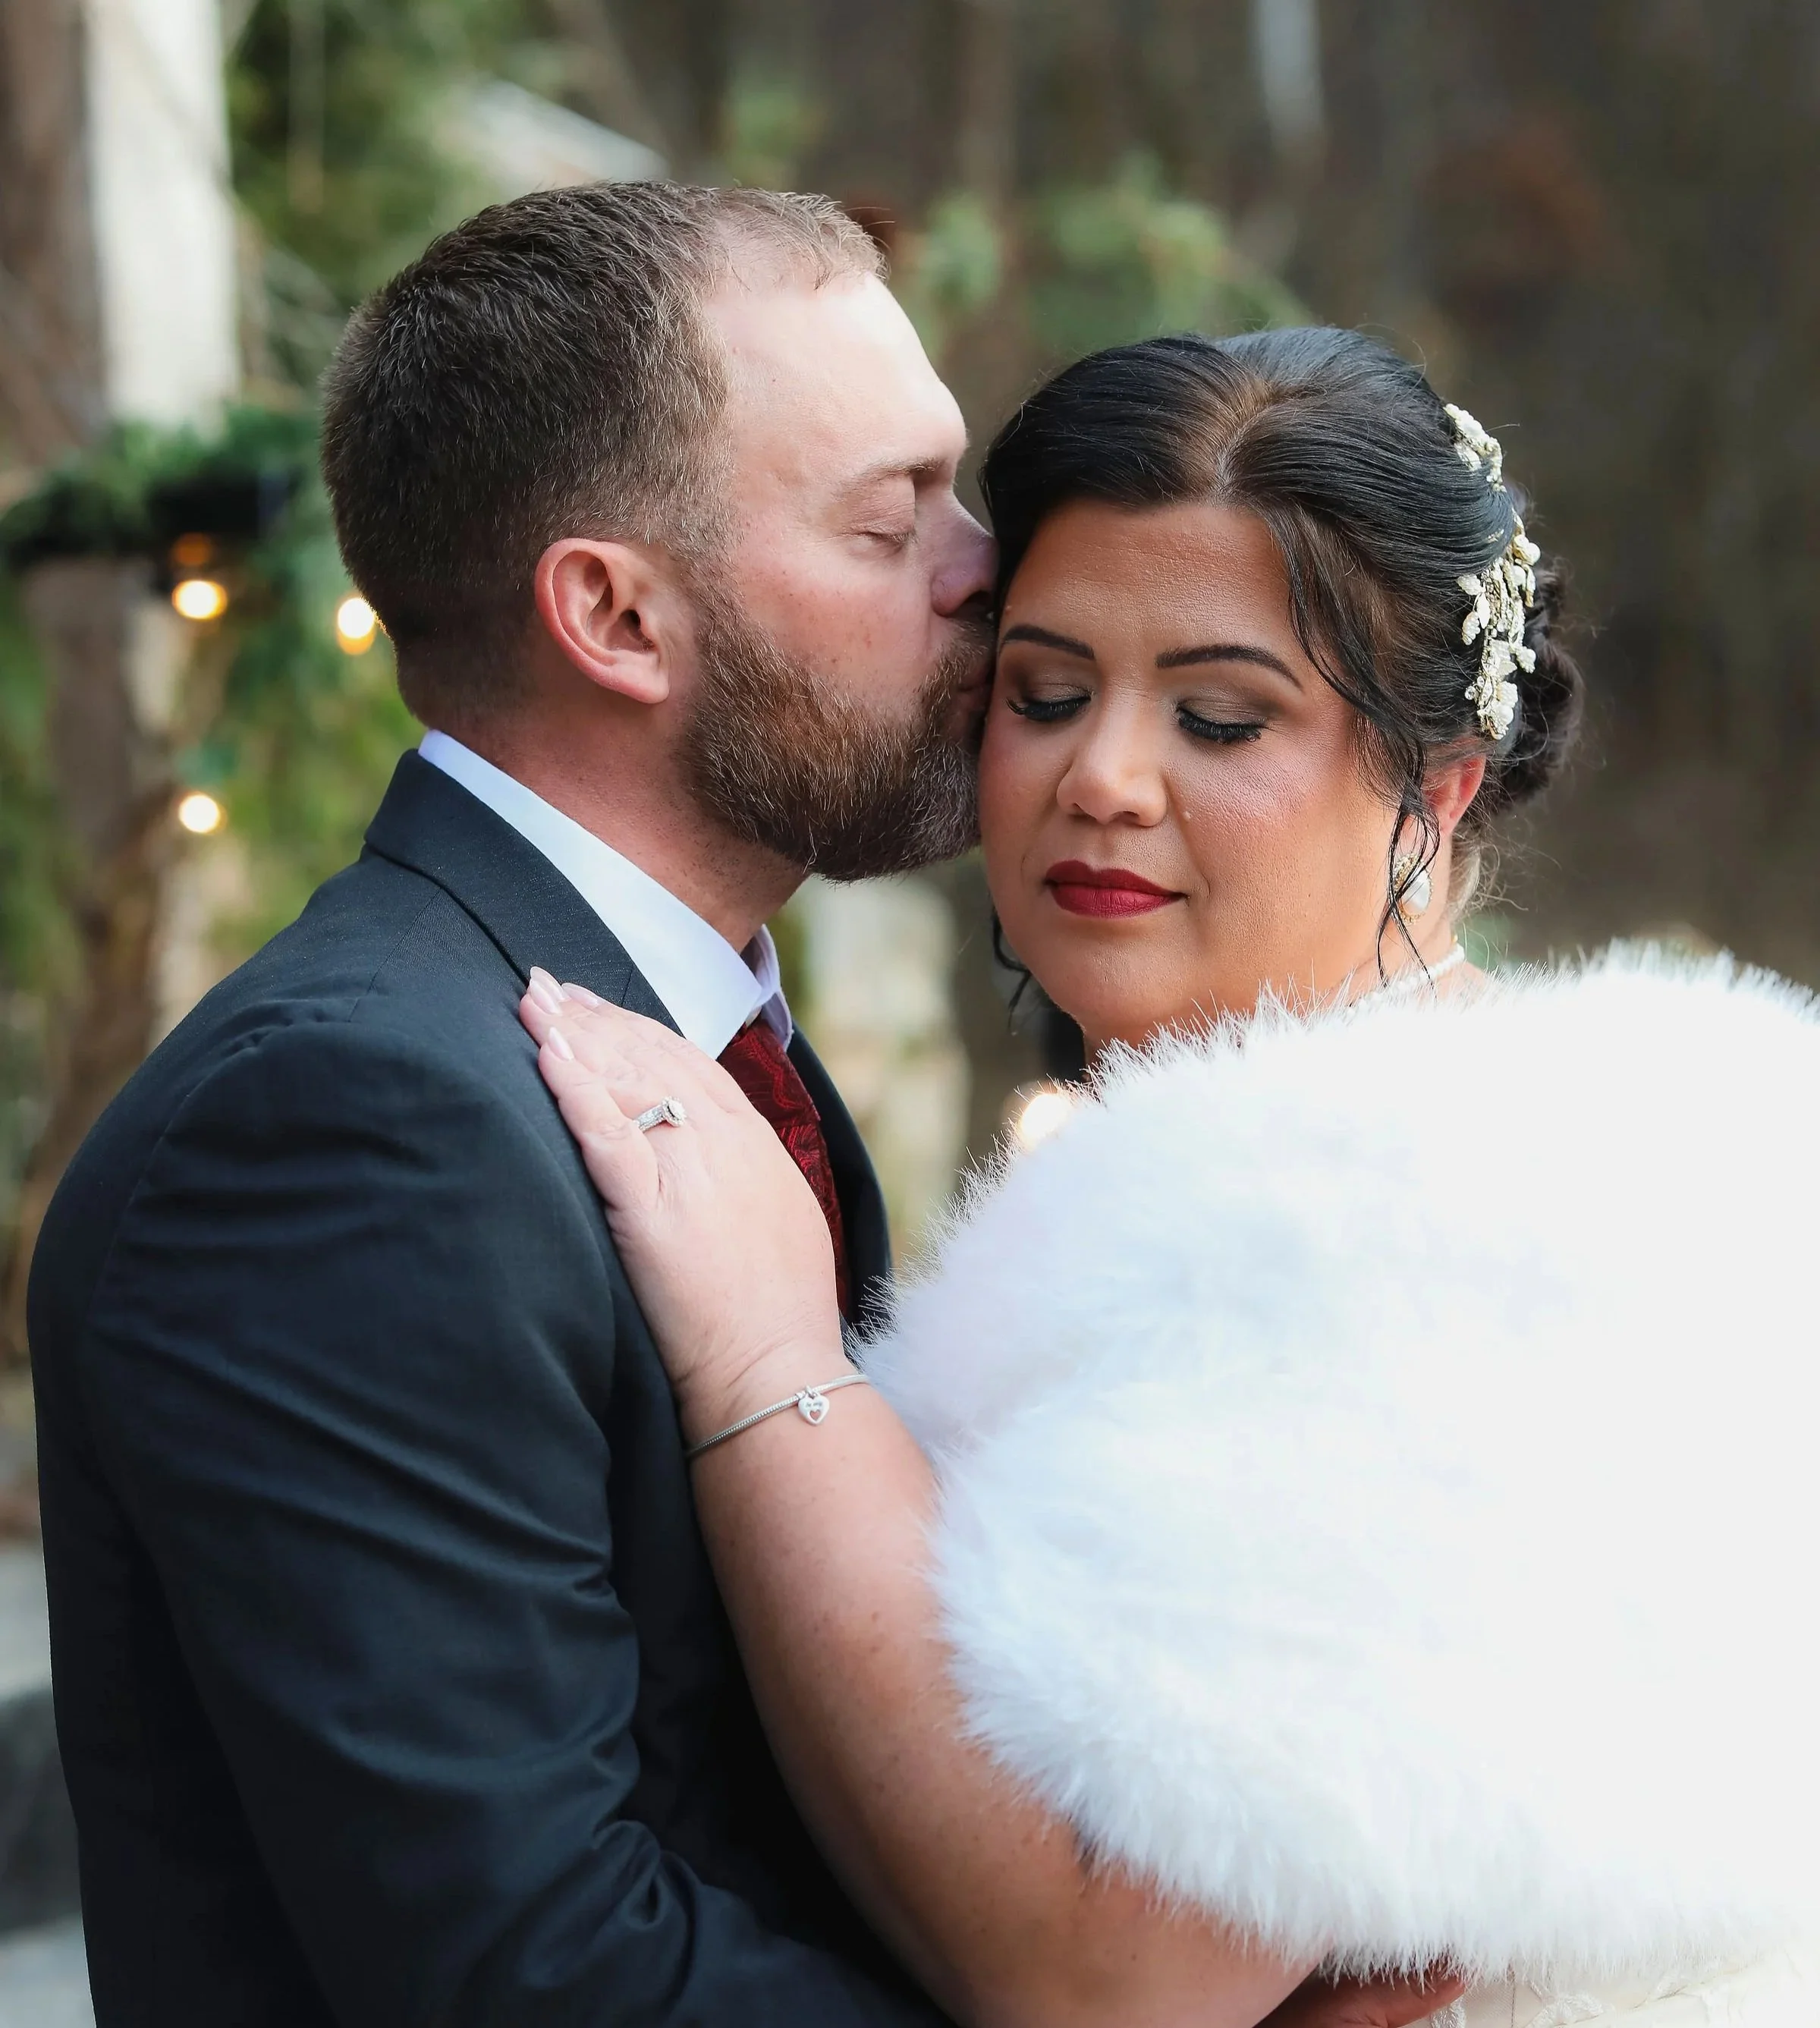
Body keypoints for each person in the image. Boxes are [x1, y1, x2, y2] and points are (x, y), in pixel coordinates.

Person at [25, 186, 1427, 2028]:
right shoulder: (346, 1123)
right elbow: (531, 1969)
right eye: (888, 517)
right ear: (614, 613)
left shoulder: (702, 1040)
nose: (983, 574)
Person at [520, 329, 1820, 2028]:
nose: (1101, 781)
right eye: (1043, 695)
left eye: (1218, 715)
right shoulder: (1426, 1134)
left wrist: (774, 1373)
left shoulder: (1410, 1211)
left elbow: (1103, 1988)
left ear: (1430, 787)